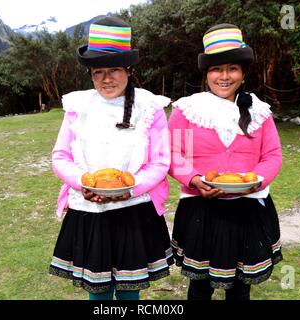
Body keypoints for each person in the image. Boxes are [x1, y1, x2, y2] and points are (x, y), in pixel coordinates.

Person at [48, 16, 174, 301]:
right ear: (91, 74)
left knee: (130, 289)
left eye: (115, 69)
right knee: (99, 290)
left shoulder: (149, 107)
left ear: (128, 70)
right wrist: (84, 184)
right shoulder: (79, 107)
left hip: (134, 210)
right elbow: (61, 155)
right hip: (89, 211)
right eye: (98, 71)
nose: (107, 78)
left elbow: (160, 161)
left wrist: (130, 187)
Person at [168, 23, 283, 300]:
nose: (224, 76)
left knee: (241, 287)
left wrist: (255, 181)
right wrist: (195, 180)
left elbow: (272, 156)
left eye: (232, 68)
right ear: (206, 74)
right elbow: (173, 153)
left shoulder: (259, 112)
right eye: (216, 69)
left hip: (249, 209)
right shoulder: (188, 110)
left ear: (243, 74)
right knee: (200, 286)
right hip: (202, 209)